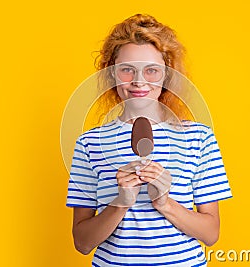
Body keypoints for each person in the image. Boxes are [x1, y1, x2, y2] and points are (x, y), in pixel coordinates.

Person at [66, 14, 232, 266]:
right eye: (127, 70)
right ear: (111, 73)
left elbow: (211, 234)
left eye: (152, 70)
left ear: (167, 75)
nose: (139, 81)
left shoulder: (199, 138)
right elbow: (82, 243)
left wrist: (165, 203)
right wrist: (121, 203)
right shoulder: (89, 143)